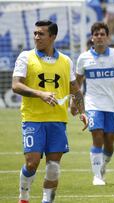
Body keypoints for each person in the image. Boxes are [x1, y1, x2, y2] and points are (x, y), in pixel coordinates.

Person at [12, 20, 88, 203]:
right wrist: (40, 94)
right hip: (32, 119)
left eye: (41, 34)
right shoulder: (25, 57)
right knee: (32, 163)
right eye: (35, 33)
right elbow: (16, 85)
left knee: (53, 168)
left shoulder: (66, 61)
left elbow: (75, 89)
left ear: (53, 37)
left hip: (57, 121)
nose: (37, 37)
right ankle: (24, 197)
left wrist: (83, 111)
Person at [72, 22, 114, 186]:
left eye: (102, 34)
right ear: (92, 38)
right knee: (97, 136)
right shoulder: (83, 58)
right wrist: (74, 101)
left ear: (107, 37)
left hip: (111, 105)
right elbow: (77, 83)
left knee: (109, 142)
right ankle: (97, 176)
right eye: (96, 34)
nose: (99, 37)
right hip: (92, 104)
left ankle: (103, 165)